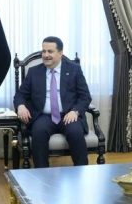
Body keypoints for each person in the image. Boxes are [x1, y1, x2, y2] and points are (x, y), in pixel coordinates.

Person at [14, 36, 91, 168]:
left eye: (50, 51)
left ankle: (82, 170)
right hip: (43, 116)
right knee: (39, 132)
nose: (46, 55)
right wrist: (21, 106)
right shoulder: (34, 72)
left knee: (75, 132)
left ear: (60, 53)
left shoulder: (74, 70)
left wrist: (75, 111)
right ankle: (42, 173)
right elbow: (20, 95)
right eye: (43, 51)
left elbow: (85, 97)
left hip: (68, 115)